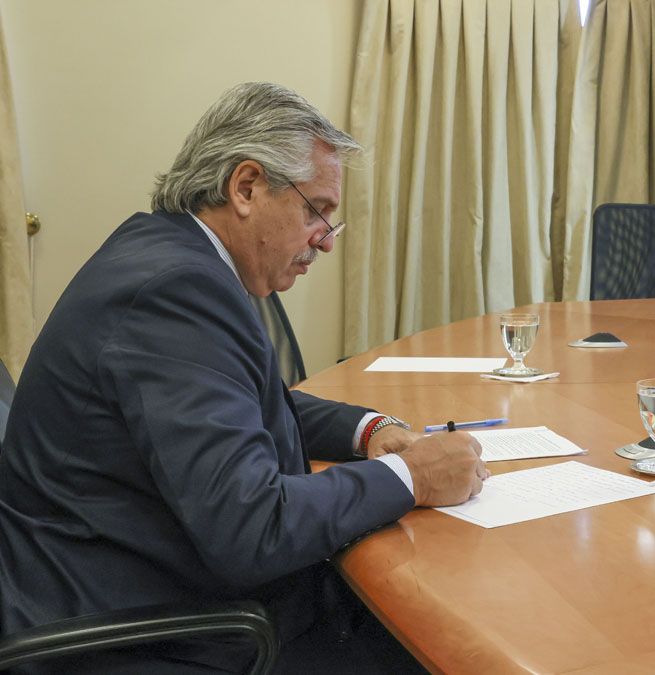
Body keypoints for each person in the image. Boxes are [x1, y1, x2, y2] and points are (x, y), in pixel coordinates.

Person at [0, 83, 488, 673]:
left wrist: (368, 431)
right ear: (247, 186)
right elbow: (251, 528)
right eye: (319, 211)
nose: (327, 242)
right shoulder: (176, 292)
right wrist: (413, 476)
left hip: (123, 584)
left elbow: (255, 405)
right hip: (153, 634)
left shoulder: (164, 252)